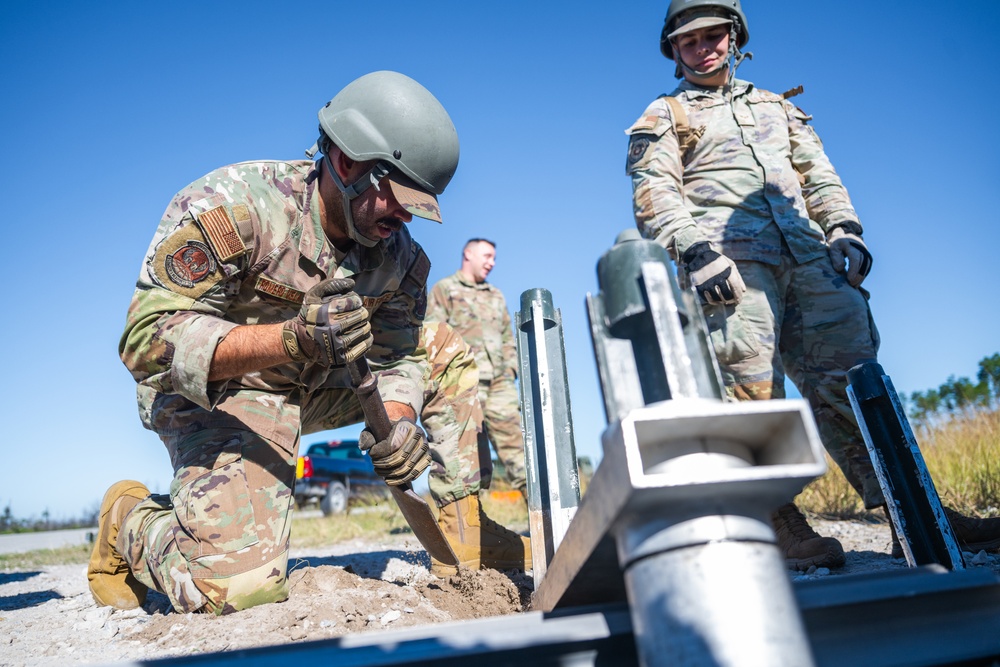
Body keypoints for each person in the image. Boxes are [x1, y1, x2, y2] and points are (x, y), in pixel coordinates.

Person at [89, 71, 527, 615]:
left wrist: (399, 421)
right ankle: (129, 520)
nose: (408, 216)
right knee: (235, 589)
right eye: (400, 198)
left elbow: (401, 356)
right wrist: (291, 340)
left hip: (319, 387)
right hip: (221, 396)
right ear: (347, 163)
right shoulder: (237, 207)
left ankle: (461, 529)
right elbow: (146, 343)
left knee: (442, 347)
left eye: (421, 203)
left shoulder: (399, 258)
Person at [626, 0, 1000, 570]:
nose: (704, 46)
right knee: (750, 393)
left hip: (810, 257)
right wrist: (695, 249)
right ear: (674, 51)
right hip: (733, 267)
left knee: (854, 383)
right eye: (689, 39)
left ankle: (916, 512)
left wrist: (845, 230)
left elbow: (817, 173)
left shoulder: (777, 107)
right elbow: (654, 189)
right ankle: (775, 522)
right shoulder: (666, 113)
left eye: (714, 34)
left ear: (734, 36)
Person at [427, 239, 527, 498]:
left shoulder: (495, 295)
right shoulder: (444, 289)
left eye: (494, 258)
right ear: (468, 254)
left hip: (500, 384)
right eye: (487, 256)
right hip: (465, 384)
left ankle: (546, 520)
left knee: (518, 449)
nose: (491, 263)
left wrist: (511, 370)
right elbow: (433, 336)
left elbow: (507, 335)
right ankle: (474, 525)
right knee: (470, 456)